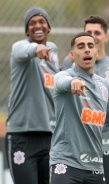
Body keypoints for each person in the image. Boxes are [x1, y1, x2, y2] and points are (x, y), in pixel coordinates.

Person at [49, 32, 109, 184]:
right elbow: (59, 81)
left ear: (96, 52)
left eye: (91, 46)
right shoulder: (66, 76)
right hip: (66, 164)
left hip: (95, 167)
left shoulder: (103, 85)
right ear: (73, 54)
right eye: (81, 46)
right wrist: (72, 83)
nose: (87, 49)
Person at [5, 6, 59, 184]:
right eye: (32, 23)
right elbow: (22, 49)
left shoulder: (54, 53)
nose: (37, 26)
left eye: (42, 21)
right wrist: (36, 49)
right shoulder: (21, 50)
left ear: (48, 27)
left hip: (50, 137)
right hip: (22, 136)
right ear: (26, 30)